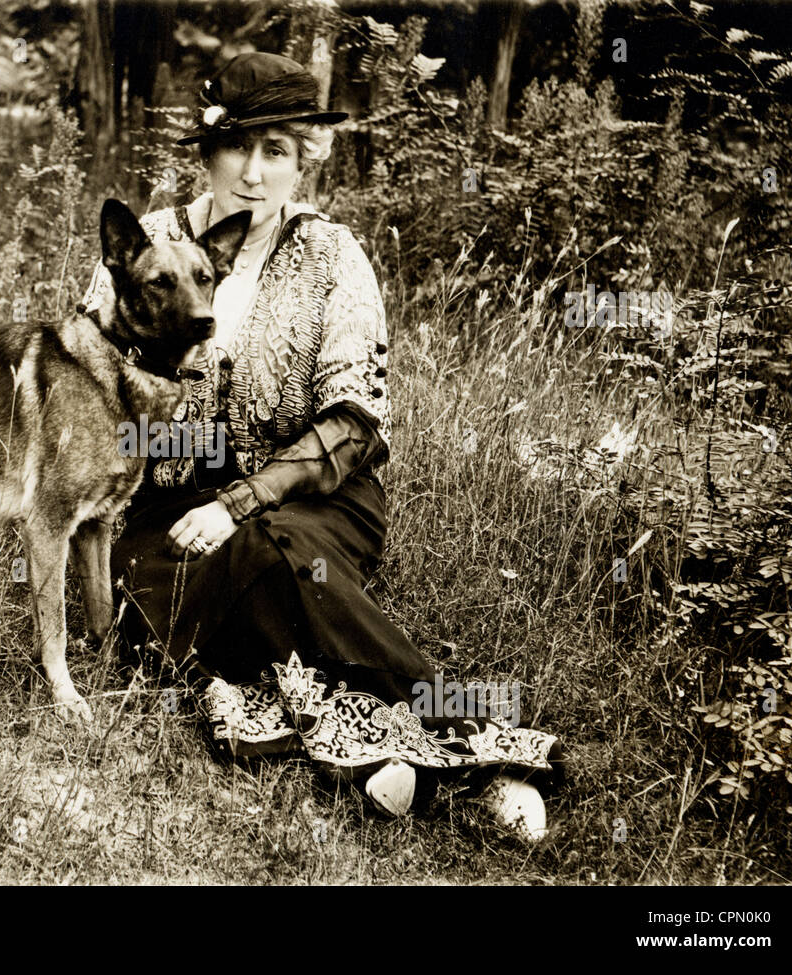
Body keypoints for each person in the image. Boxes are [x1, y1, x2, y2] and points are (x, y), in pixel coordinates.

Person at [81, 52, 563, 842]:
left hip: (317, 499)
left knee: (273, 550)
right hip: (167, 500)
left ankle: (468, 741)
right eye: (237, 145)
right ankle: (378, 760)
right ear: (206, 151)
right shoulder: (149, 243)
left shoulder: (334, 255)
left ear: (304, 159)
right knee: (152, 607)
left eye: (278, 150)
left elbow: (352, 420)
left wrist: (238, 500)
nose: (253, 171)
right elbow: (87, 390)